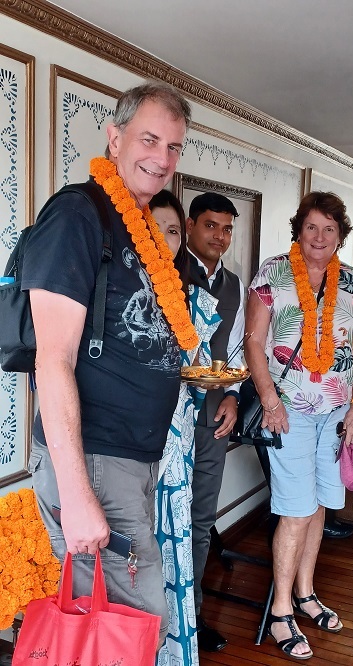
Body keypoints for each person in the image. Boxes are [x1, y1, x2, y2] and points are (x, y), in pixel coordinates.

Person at [22, 81, 195, 650]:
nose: (163, 159)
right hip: (93, 458)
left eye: (174, 147)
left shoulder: (141, 226)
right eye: (150, 139)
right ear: (115, 138)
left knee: (120, 630)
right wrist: (75, 494)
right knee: (130, 626)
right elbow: (53, 358)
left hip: (128, 458)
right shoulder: (78, 214)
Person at [244, 191, 353, 660]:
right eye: (311, 227)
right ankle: (280, 611)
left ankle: (307, 593)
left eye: (329, 229)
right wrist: (270, 401)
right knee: (296, 509)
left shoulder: (352, 282)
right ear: (299, 229)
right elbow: (255, 341)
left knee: (318, 506)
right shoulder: (273, 272)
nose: (319, 237)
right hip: (289, 409)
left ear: (340, 236)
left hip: (336, 412)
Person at [150, 189, 221, 666]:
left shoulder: (194, 302)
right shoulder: (109, 291)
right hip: (118, 449)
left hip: (175, 445)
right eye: (152, 227)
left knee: (172, 553)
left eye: (173, 230)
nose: (164, 237)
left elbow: (200, 376)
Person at [186, 192, 245, 652]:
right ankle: (153, 617)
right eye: (211, 226)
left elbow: (237, 350)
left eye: (226, 229)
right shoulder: (163, 269)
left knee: (200, 519)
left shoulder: (234, 285)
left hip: (211, 423)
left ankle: (194, 616)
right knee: (150, 517)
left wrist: (231, 395)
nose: (219, 237)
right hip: (162, 419)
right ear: (190, 226)